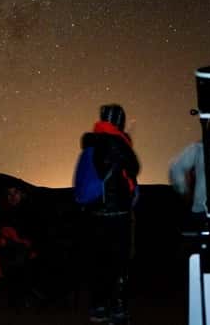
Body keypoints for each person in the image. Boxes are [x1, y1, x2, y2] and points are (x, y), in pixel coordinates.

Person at [75, 104, 139, 325]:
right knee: (120, 262)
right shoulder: (119, 143)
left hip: (94, 213)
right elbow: (134, 167)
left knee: (99, 262)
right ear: (119, 120)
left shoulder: (90, 144)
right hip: (118, 213)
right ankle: (118, 308)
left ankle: (98, 307)